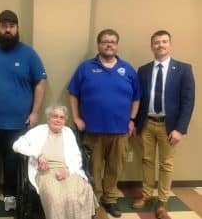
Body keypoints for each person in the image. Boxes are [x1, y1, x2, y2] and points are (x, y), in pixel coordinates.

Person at [0, 10, 47, 213]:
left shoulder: (29, 54)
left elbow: (40, 82)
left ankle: (10, 194)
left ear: (17, 28)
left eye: (11, 26)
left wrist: (35, 112)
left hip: (18, 122)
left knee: (12, 161)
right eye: (3, 25)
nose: (7, 30)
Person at [67, 29, 141, 218]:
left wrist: (132, 119)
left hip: (120, 131)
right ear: (98, 44)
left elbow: (137, 98)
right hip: (93, 131)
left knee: (114, 168)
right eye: (105, 41)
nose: (109, 44)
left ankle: (110, 200)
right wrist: (76, 118)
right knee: (93, 169)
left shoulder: (128, 69)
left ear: (117, 45)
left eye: (113, 42)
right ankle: (94, 201)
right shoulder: (85, 68)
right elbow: (73, 93)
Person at [132, 30, 195, 219]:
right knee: (147, 161)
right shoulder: (143, 70)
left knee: (166, 165)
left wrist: (180, 129)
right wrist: (134, 122)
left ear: (170, 45)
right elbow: (138, 98)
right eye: (157, 42)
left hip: (170, 126)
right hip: (147, 124)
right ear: (152, 47)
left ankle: (162, 202)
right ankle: (146, 195)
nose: (160, 45)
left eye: (164, 42)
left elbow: (188, 101)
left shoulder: (184, 69)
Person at [13, 104, 98, 219]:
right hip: (45, 171)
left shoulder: (68, 133)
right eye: (55, 116)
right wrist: (38, 155)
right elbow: (17, 145)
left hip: (67, 170)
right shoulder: (38, 131)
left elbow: (77, 157)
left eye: (62, 117)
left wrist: (68, 171)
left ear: (65, 120)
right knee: (55, 198)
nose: (58, 120)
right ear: (48, 118)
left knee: (76, 195)